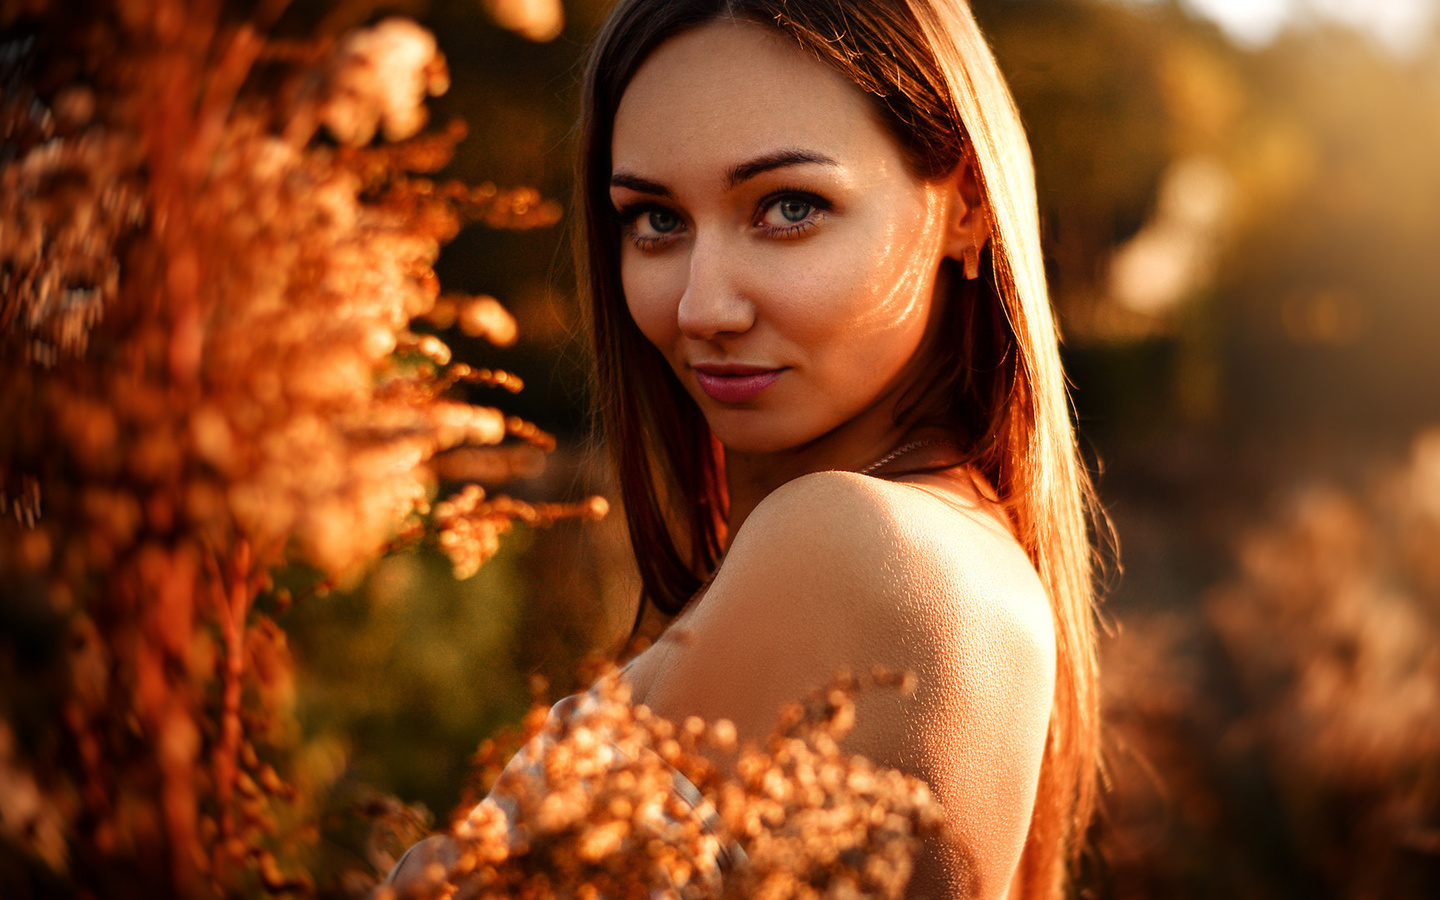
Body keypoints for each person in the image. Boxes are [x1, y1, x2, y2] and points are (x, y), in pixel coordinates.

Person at [391, 1, 1101, 897]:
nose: (700, 308)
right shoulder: (968, 547)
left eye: (788, 206)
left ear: (964, 206)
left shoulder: (852, 544)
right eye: (654, 219)